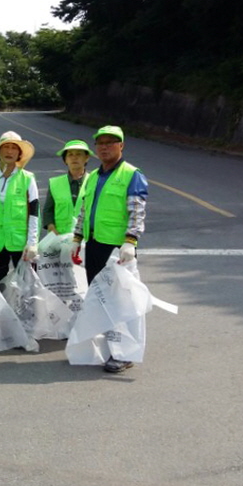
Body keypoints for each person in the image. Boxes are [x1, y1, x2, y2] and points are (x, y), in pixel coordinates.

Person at [71, 125, 148, 373]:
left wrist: (131, 241)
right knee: (101, 299)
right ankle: (110, 346)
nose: (104, 147)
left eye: (110, 142)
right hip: (94, 245)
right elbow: (85, 210)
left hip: (118, 249)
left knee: (122, 302)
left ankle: (125, 353)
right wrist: (77, 237)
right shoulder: (93, 176)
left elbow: (137, 211)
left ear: (121, 146)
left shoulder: (131, 174)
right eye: (100, 143)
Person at [0, 131, 40, 283]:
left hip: (20, 242)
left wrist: (32, 242)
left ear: (19, 153)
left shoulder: (27, 178)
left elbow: (34, 212)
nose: (9, 151)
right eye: (5, 147)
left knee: (26, 285)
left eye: (14, 148)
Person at [41, 140, 93, 238]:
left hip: (86, 239)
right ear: (65, 159)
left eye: (79, 154)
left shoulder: (94, 181)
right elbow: (48, 210)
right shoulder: (55, 183)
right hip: (59, 237)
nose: (74, 157)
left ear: (86, 158)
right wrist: (51, 228)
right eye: (70, 155)